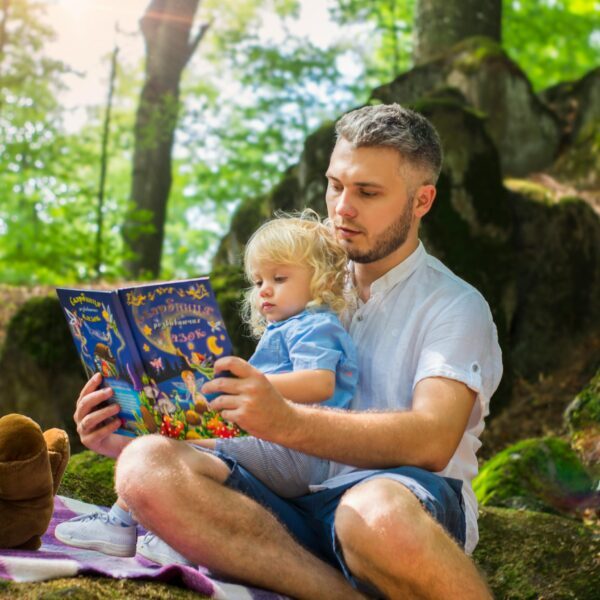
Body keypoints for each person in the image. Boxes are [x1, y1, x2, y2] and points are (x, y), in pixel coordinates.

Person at [74, 103, 502, 599]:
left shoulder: (454, 305)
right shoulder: (302, 281)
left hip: (400, 503)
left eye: (367, 192)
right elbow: (252, 423)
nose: (342, 207)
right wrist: (130, 427)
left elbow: (432, 439)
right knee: (144, 465)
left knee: (374, 513)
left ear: (421, 200)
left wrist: (283, 419)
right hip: (286, 500)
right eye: (336, 185)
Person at [57, 213, 358, 563]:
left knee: (177, 449)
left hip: (295, 453)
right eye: (258, 280)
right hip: (273, 445)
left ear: (324, 279)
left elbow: (320, 382)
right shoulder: (289, 328)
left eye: (279, 277)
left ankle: (133, 526)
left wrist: (249, 384)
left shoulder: (316, 325)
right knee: (169, 443)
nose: (264, 290)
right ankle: (140, 525)